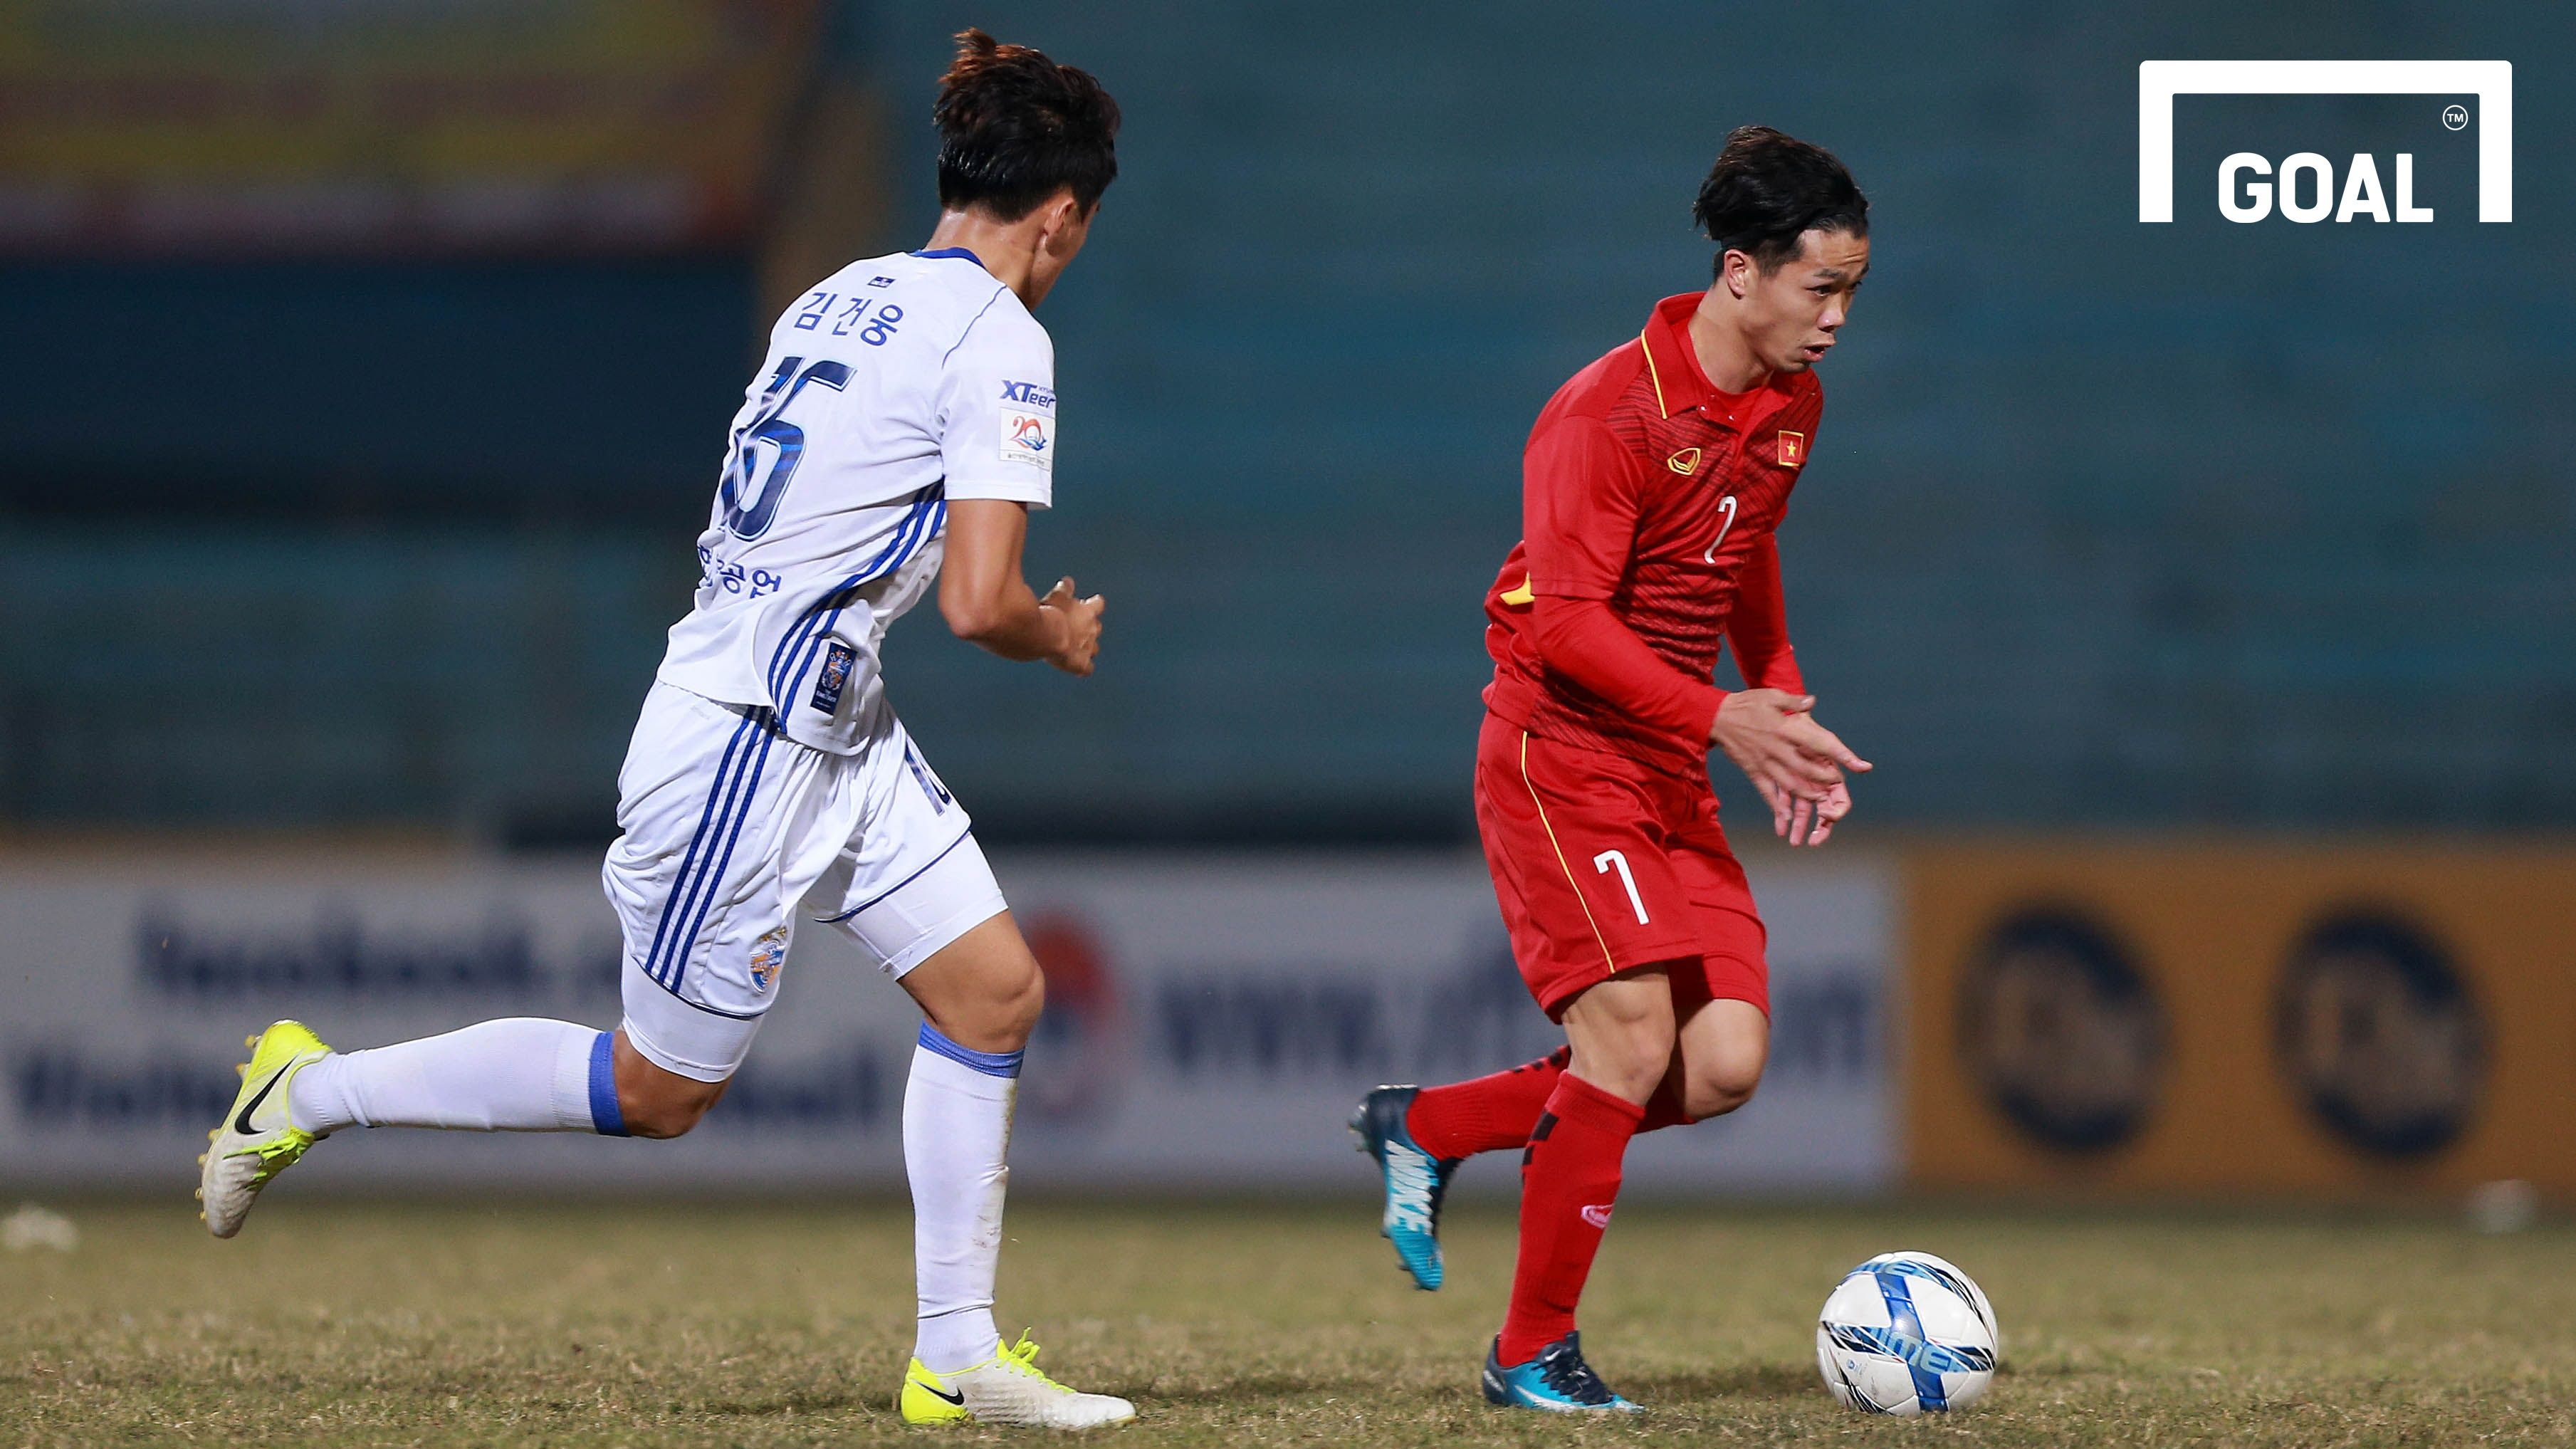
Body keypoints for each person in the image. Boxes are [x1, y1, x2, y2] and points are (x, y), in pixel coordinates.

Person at [197, 29, 1136, 1430]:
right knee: (657, 1091)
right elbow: (979, 602)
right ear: (1060, 215)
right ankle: (308, 1090)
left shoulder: (838, 294)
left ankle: (955, 1356)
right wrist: (1054, 635)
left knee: (994, 994)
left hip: (834, 721)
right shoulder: (1002, 339)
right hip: (749, 741)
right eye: (1082, 227)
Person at [1351, 125, 1875, 1413]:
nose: (1837, 319)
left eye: (1852, 291)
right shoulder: (1606, 413)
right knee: (1631, 1036)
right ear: (1741, 272)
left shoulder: (1790, 403)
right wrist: (1724, 716)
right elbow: (1567, 626)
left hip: (1668, 760)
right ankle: (1529, 1352)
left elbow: (1744, 546)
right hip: (1561, 754)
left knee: (1724, 1062)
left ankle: (1431, 1126)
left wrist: (1778, 696)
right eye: (1821, 289)